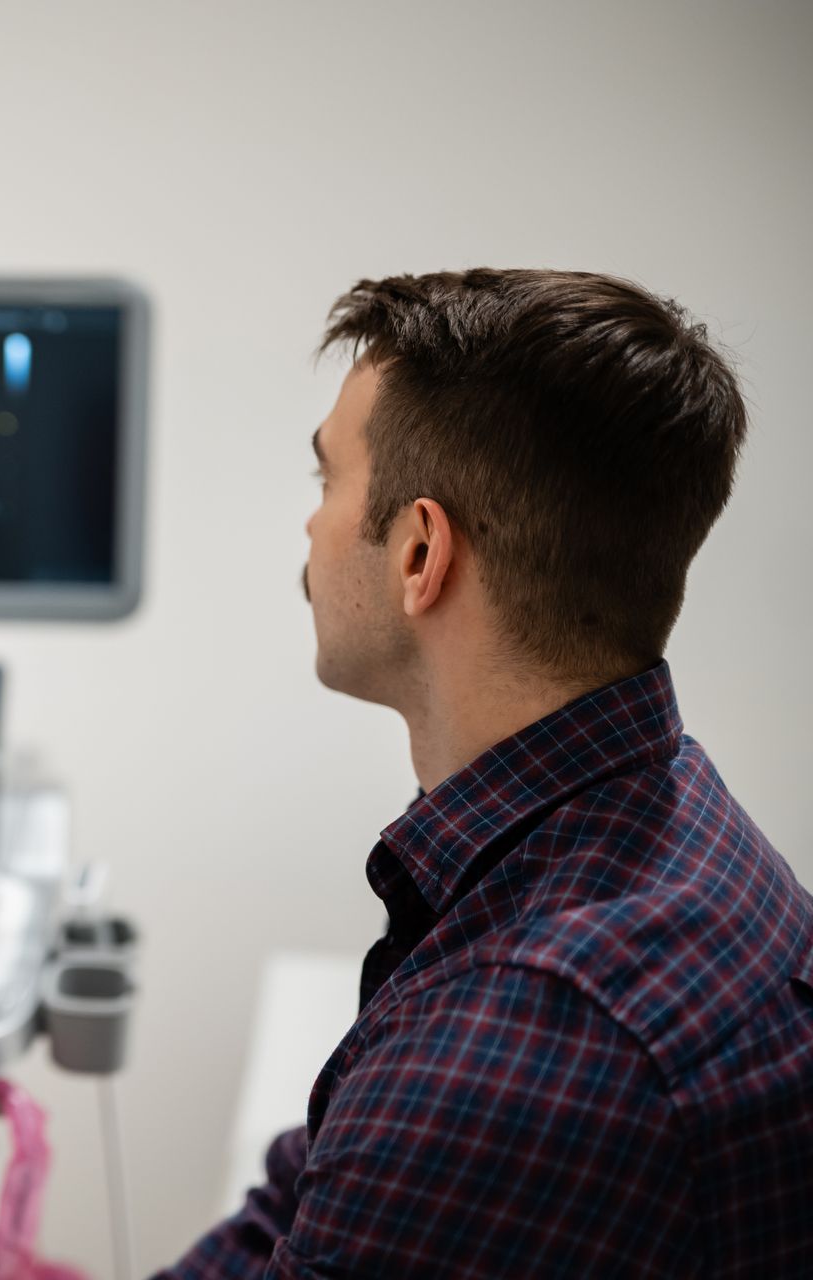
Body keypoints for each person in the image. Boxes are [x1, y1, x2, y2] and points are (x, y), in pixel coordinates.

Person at [159, 270, 812, 1277]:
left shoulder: (523, 1040)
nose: (311, 525)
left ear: (421, 551)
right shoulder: (649, 804)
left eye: (324, 480)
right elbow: (299, 1190)